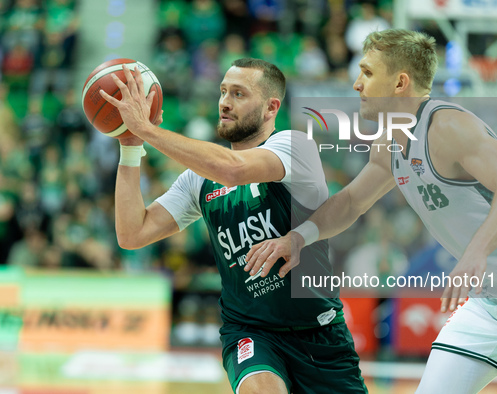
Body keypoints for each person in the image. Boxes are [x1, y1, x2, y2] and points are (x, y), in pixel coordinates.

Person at [244, 30, 497, 393]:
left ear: (400, 82)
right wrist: (300, 237)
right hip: (494, 298)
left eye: (367, 72)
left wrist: (475, 252)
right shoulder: (390, 141)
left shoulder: (449, 126)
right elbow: (350, 202)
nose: (356, 83)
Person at [99, 58, 367, 394]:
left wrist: (147, 129)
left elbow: (233, 170)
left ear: (271, 107)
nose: (225, 102)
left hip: (320, 333)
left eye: (239, 94)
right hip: (250, 330)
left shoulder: (294, 147)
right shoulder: (198, 181)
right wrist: (130, 147)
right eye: (223, 91)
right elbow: (132, 233)